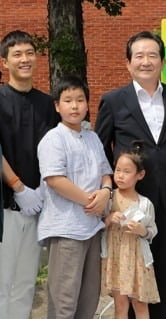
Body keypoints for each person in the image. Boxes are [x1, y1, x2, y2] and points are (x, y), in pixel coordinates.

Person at [95, 31, 166, 319]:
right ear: (128, 63)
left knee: (163, 274)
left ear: (162, 62)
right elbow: (100, 153)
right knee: (131, 280)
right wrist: (108, 192)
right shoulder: (113, 100)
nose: (146, 61)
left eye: (152, 55)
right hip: (129, 206)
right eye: (139, 55)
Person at [37, 75, 113, 319]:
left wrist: (105, 192)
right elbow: (54, 179)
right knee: (64, 301)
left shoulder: (92, 138)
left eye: (80, 100)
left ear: (87, 104)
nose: (74, 106)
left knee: (89, 298)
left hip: (92, 227)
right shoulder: (53, 139)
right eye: (68, 100)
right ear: (57, 106)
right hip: (67, 228)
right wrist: (91, 202)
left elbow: (106, 173)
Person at [0, 30, 59, 319]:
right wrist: (18, 187)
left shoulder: (48, 104)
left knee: (25, 283)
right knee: (2, 282)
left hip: (38, 207)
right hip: (6, 206)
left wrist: (44, 191)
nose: (25, 59)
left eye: (29, 53)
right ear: (5, 63)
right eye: (17, 54)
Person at [101, 141, 160, 319]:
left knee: (140, 303)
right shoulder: (109, 198)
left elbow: (152, 231)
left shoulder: (144, 204)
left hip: (138, 260)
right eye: (118, 170)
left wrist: (142, 230)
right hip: (116, 258)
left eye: (127, 172)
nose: (120, 176)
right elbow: (98, 225)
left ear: (140, 175)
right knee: (120, 304)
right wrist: (110, 219)